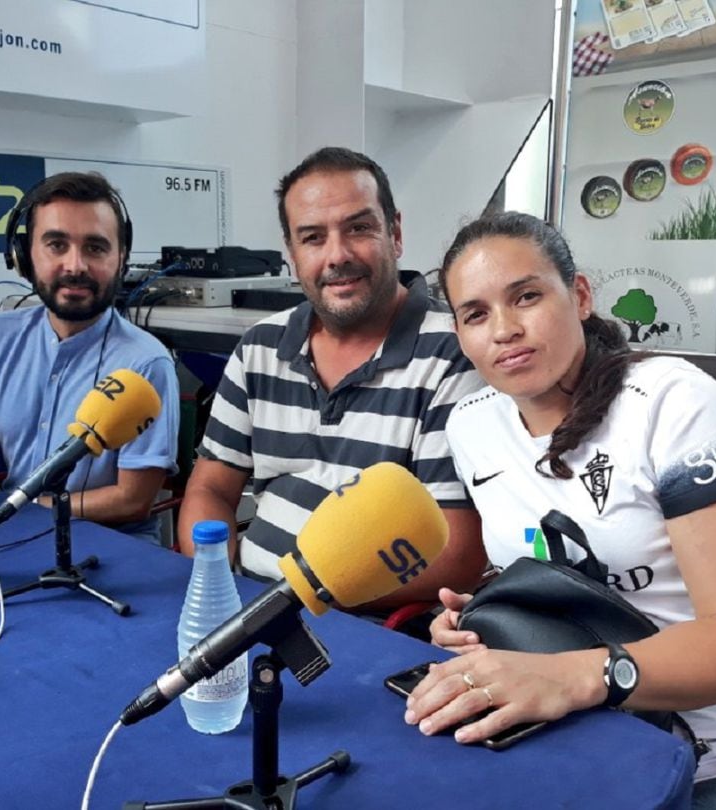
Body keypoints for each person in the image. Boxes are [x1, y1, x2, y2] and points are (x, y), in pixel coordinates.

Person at [406, 211, 716, 807]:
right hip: (588, 734)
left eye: (527, 296)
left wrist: (571, 676)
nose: (505, 329)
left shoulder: (676, 403)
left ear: (582, 295)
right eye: (476, 314)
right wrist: (487, 614)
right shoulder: (471, 425)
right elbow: (551, 561)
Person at [176, 147, 487, 611]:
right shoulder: (260, 346)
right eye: (313, 237)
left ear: (395, 233)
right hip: (245, 602)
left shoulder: (454, 355)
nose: (337, 255)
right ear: (292, 253)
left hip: (362, 625)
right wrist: (218, 583)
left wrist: (301, 599)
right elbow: (210, 490)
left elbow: (458, 555)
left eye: (359, 228)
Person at [0, 172, 179, 542]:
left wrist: (26, 506)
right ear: (24, 256)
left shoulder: (146, 363)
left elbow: (131, 500)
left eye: (96, 247)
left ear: (121, 259)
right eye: (56, 245)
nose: (75, 265)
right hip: (12, 532)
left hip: (108, 542)